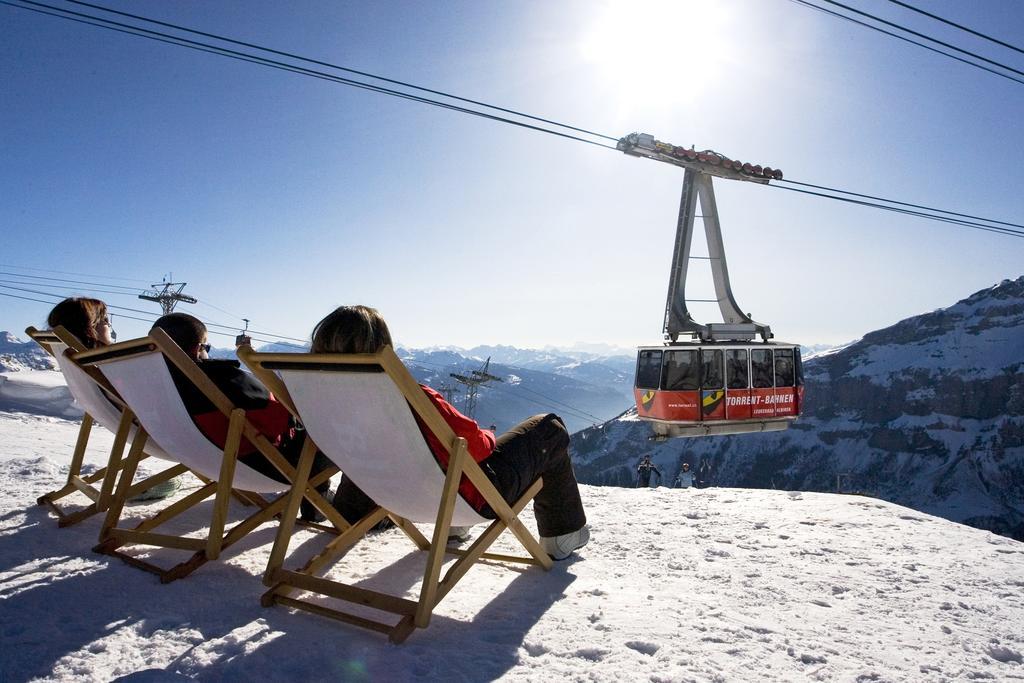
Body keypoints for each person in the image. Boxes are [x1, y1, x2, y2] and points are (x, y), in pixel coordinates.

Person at [311, 305, 589, 561]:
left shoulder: (320, 400)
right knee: (549, 428)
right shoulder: (408, 397)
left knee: (446, 459)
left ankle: (456, 527)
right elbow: (476, 447)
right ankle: (562, 534)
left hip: (391, 496)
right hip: (457, 500)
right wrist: (489, 435)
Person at [150, 313, 332, 521]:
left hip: (199, 457)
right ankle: (320, 502)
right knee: (323, 432)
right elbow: (279, 419)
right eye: (206, 347)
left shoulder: (152, 383)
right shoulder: (223, 378)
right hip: (260, 465)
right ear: (198, 348)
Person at [47, 297, 181, 501]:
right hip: (174, 439)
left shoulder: (85, 361)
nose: (109, 325)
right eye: (105, 320)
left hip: (135, 431)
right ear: (91, 327)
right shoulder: (116, 364)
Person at [47, 297, 115, 349]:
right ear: (92, 326)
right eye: (106, 320)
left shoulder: (64, 357)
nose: (109, 325)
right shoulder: (113, 364)